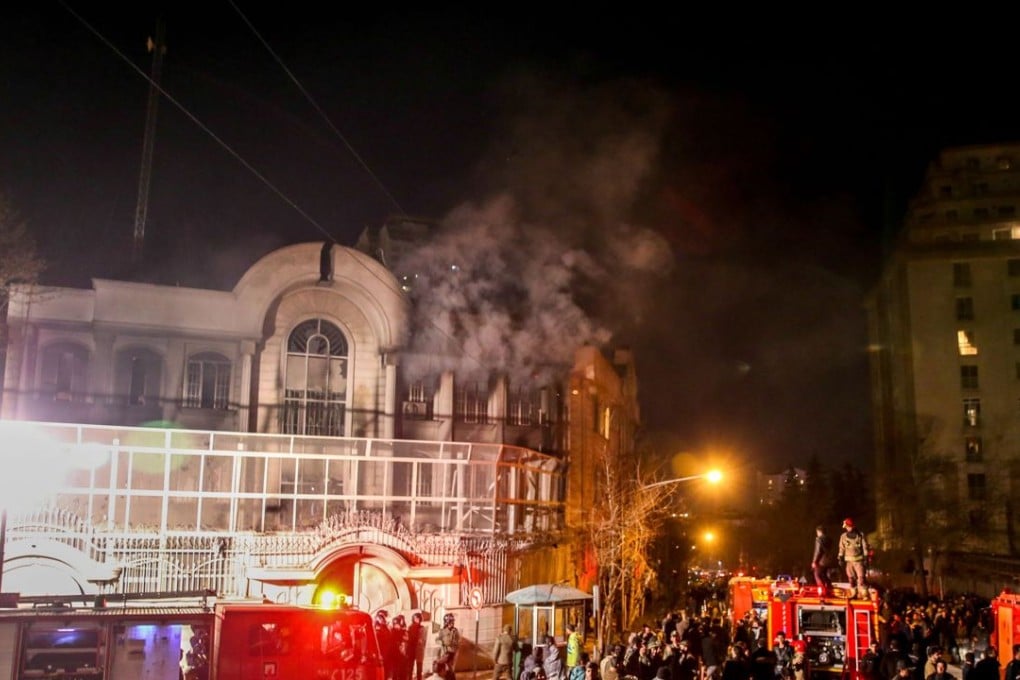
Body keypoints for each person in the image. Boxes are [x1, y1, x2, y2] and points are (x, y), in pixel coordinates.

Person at [837, 518, 871, 598]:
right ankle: (853, 592)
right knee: (851, 579)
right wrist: (840, 558)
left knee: (861, 578)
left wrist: (866, 557)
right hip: (849, 563)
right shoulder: (843, 537)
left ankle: (863, 594)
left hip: (859, 562)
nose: (847, 528)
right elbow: (841, 548)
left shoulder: (860, 535)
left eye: (847, 527)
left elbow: (865, 546)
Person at [811, 525, 834, 595]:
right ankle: (830, 589)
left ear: (819, 532)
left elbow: (818, 551)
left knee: (817, 574)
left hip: (821, 561)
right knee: (825, 576)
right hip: (829, 560)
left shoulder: (819, 539)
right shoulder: (830, 539)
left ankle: (823, 590)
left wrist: (814, 561)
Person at [409, 613, 428, 680]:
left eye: (417, 618)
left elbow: (424, 640)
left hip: (419, 649)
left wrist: (421, 643)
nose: (416, 620)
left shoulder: (422, 628)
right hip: (411, 649)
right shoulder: (410, 627)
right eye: (415, 618)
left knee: (419, 668)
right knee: (410, 667)